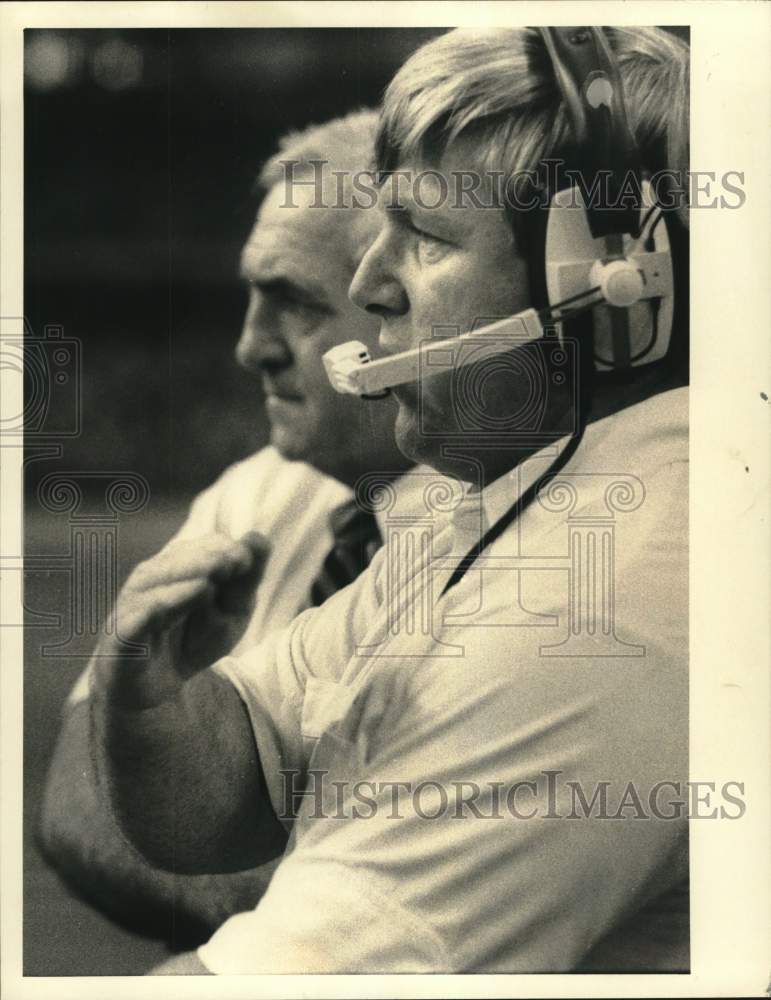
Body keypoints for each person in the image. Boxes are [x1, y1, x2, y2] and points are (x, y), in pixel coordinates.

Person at [89, 26, 690, 973]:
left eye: (425, 237)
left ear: (610, 282)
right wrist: (144, 696)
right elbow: (226, 786)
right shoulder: (500, 500)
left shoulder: (584, 608)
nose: (370, 283)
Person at [38, 109, 426, 945]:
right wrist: (293, 923)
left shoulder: (535, 538)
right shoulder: (256, 494)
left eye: (293, 303)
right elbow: (76, 799)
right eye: (252, 295)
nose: (249, 347)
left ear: (405, 307)